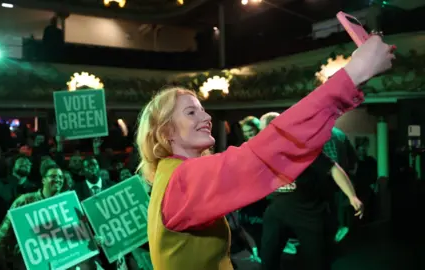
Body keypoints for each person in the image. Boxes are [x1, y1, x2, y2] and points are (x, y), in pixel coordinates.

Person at [136, 35, 394, 269]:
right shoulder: (182, 180)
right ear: (166, 132)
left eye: (202, 109)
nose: (206, 116)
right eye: (191, 112)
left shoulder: (173, 175)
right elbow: (264, 151)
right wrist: (353, 74)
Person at [259, 113, 363, 270]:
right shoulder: (262, 152)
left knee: (317, 262)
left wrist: (352, 196)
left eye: (265, 130)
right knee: (267, 260)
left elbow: (333, 168)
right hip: (277, 212)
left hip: (308, 213)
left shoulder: (301, 150)